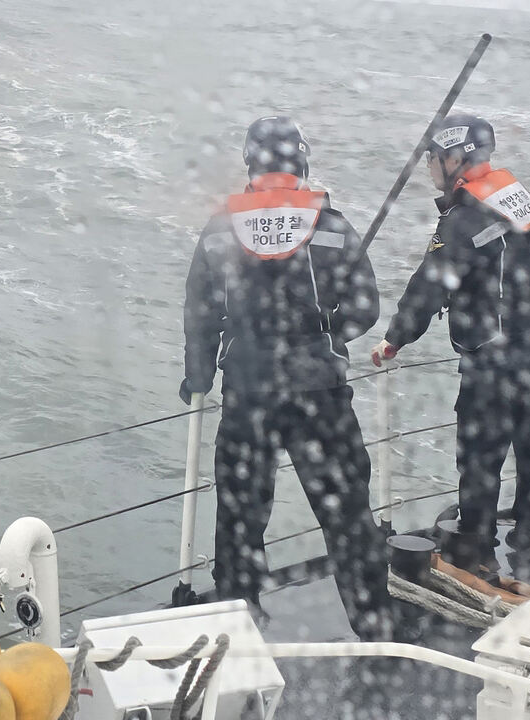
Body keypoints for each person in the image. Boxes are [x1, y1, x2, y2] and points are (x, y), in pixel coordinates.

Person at [181, 116, 388, 639]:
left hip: (248, 390)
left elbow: (201, 313)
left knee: (241, 512)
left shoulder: (220, 229)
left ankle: (239, 616)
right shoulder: (332, 225)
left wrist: (198, 374)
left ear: (250, 163)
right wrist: (328, 332)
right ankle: (374, 626)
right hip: (319, 390)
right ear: (301, 162)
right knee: (346, 511)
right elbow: (366, 306)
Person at [370, 113, 530, 562]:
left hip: (494, 355)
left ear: (455, 159)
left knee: (480, 454)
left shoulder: (460, 219)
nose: (429, 167)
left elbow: (429, 285)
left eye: (433, 157)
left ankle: (476, 547)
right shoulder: (516, 195)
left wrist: (395, 338)